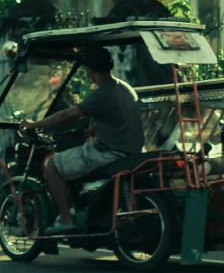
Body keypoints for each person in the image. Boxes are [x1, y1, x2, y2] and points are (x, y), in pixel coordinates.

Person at [20, 47, 144, 235]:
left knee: (53, 164)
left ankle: (66, 219)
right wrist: (94, 129)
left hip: (109, 153)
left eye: (87, 70)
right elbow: (117, 117)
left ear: (91, 71)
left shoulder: (102, 93)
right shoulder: (124, 88)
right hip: (130, 150)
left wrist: (34, 124)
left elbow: (66, 115)